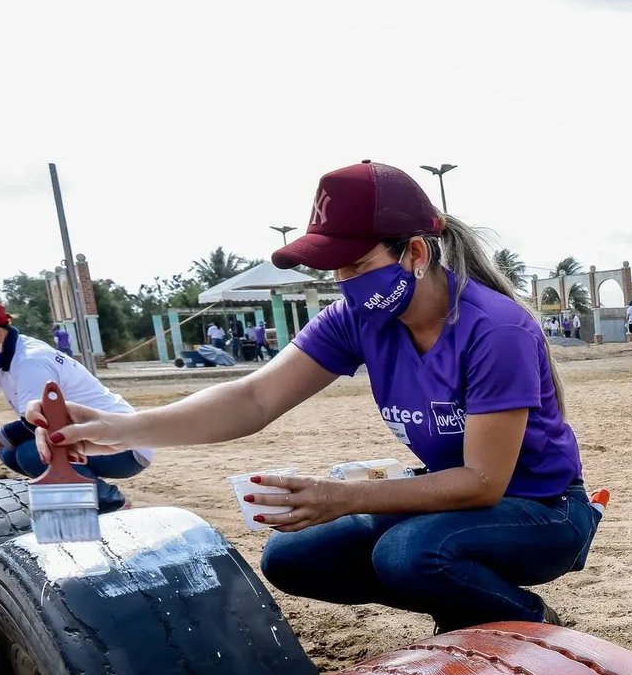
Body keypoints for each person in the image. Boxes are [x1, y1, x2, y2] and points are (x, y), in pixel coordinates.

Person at [41, 160, 598, 631]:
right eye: (335, 269)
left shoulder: (493, 329)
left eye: (358, 264)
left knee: (410, 554)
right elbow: (254, 399)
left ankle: (533, 627)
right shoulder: (358, 318)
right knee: (292, 557)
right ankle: (468, 609)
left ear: (416, 253)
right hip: (447, 504)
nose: (345, 282)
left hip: (542, 510)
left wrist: (345, 497)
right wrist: (118, 427)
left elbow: (482, 483)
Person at [0, 301, 150, 510]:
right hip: (104, 438)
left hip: (124, 447)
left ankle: (109, 501)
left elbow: (32, 426)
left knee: (31, 452)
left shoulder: (30, 362)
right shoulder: (9, 353)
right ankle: (75, 492)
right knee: (10, 451)